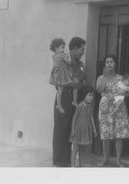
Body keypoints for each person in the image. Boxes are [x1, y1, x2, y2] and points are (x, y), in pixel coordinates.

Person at [52, 37, 86, 167]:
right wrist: (72, 83)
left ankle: (66, 162)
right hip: (64, 98)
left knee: (69, 132)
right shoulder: (61, 59)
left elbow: (82, 81)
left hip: (75, 100)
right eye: (82, 49)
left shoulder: (80, 65)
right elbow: (55, 80)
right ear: (75, 48)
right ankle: (57, 162)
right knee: (60, 130)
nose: (83, 52)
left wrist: (76, 83)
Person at [96, 55, 129, 167]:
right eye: (107, 62)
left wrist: (116, 94)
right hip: (105, 108)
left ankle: (118, 160)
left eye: (111, 62)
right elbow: (99, 90)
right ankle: (105, 159)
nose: (109, 64)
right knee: (105, 134)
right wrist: (104, 77)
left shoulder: (121, 78)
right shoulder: (101, 78)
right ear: (105, 65)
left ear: (115, 64)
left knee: (119, 134)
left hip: (118, 108)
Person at [69, 86, 97, 167]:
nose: (91, 97)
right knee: (75, 149)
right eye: (90, 95)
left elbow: (91, 118)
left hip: (85, 130)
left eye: (92, 95)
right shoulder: (80, 106)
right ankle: (72, 166)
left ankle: (81, 165)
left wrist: (94, 129)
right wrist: (73, 129)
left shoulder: (89, 107)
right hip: (78, 130)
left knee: (82, 150)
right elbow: (74, 118)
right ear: (84, 95)